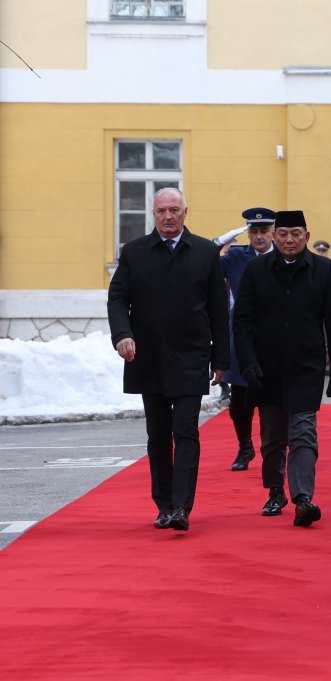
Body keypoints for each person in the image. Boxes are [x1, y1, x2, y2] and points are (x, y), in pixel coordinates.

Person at [107, 187, 229, 532]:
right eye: (162, 211)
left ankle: (181, 507)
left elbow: (219, 310)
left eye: (174, 210)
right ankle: (163, 504)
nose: (168, 216)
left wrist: (221, 359)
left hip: (192, 355)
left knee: (186, 430)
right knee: (158, 435)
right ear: (154, 214)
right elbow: (117, 298)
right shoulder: (135, 252)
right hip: (149, 357)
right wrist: (122, 334)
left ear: (185, 212)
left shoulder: (205, 252)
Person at [233, 210, 331, 525]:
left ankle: (303, 498)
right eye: (283, 234)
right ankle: (275, 491)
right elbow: (242, 322)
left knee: (303, 432)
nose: (289, 240)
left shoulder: (323, 270)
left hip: (306, 367)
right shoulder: (256, 271)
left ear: (306, 237)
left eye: (296, 234)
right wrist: (247, 362)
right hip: (266, 368)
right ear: (274, 236)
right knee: (272, 437)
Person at [213, 207, 276, 471]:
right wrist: (220, 241)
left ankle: (273, 448)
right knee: (240, 402)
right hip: (242, 336)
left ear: (273, 232)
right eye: (254, 231)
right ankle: (245, 446)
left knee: (273, 400)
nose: (259, 236)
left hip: (275, 336)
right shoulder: (237, 257)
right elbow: (205, 261)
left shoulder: (284, 256)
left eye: (264, 231)